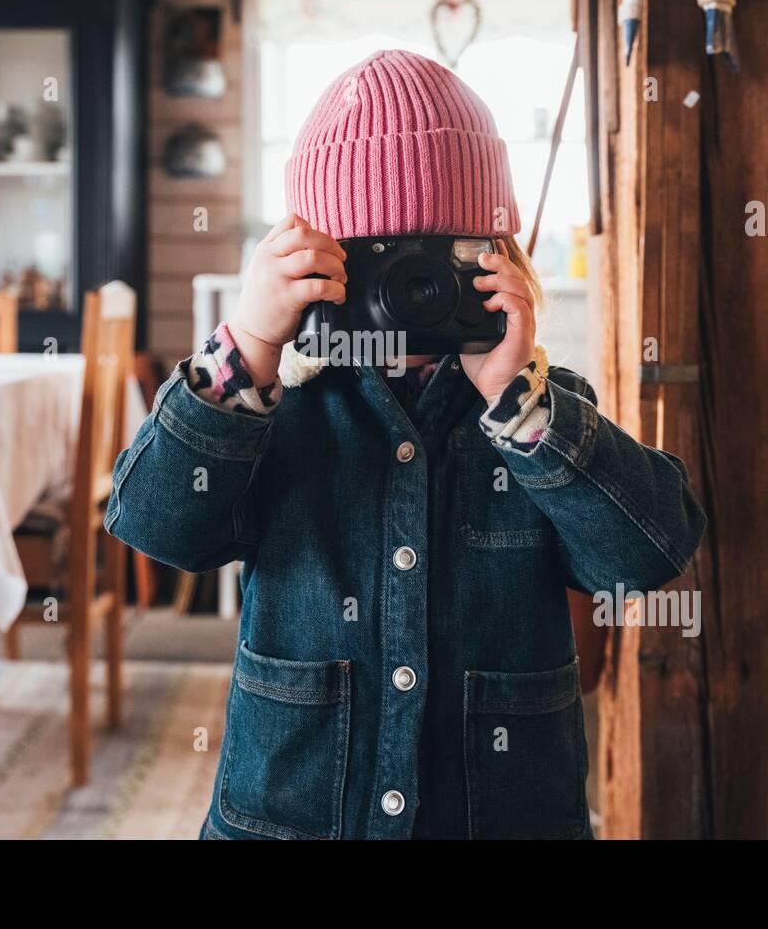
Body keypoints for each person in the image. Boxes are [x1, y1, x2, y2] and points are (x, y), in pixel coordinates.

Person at [105, 49, 706, 839]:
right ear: (313, 262)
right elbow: (154, 528)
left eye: (438, 261)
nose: (408, 293)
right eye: (376, 262)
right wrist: (246, 344)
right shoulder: (271, 409)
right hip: (291, 819)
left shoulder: (537, 416)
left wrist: (520, 402)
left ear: (498, 256)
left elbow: (648, 555)